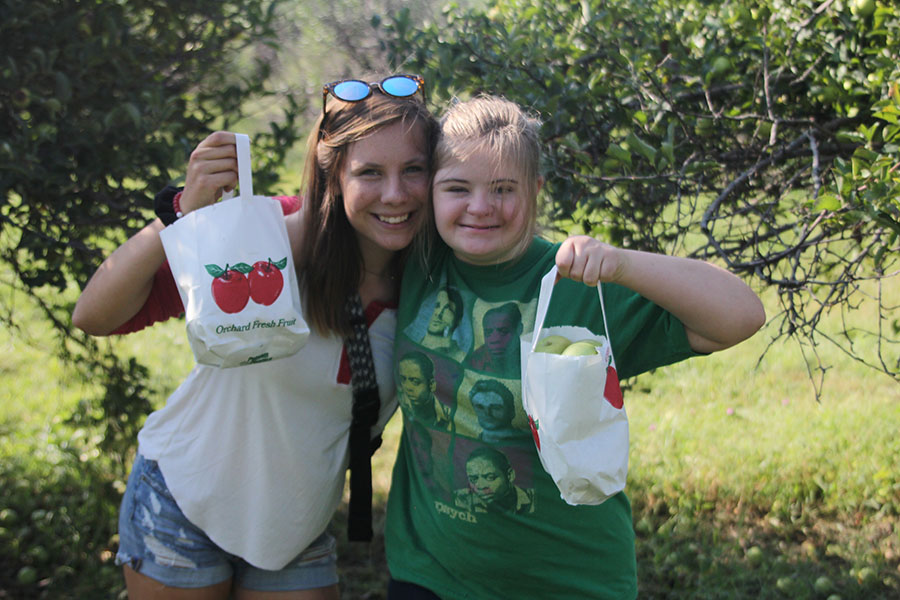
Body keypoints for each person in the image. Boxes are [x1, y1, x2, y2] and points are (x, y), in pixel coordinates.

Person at [384, 95, 766, 599]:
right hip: (428, 574)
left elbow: (741, 316)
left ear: (536, 190)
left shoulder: (575, 283)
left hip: (568, 581)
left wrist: (623, 263)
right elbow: (325, 218)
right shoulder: (415, 261)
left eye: (503, 189)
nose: (480, 206)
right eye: (458, 187)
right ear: (430, 192)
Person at [71, 74, 438, 599]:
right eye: (370, 173)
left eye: (414, 170)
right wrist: (183, 220)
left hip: (294, 528)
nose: (395, 194)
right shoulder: (270, 239)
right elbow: (95, 315)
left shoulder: (437, 278)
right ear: (334, 176)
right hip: (184, 503)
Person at [453, 447, 534, 514]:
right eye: (473, 479)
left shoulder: (533, 500)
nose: (480, 486)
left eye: (490, 477)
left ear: (510, 475)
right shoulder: (461, 499)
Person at [464, 302, 523, 375]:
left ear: (519, 329)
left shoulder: (530, 353)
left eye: (504, 331)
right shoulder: (476, 359)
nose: (495, 340)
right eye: (488, 333)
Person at [398, 350, 451, 429]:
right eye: (403, 379)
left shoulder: (449, 416)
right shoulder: (404, 403)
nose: (407, 387)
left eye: (415, 381)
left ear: (431, 384)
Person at [419, 288, 466, 361]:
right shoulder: (409, 346)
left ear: (459, 320)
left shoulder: (461, 358)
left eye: (448, 310)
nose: (438, 313)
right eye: (437, 306)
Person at [468, 379, 518, 443]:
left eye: (495, 408)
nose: (487, 413)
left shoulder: (525, 442)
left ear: (511, 412)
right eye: (480, 407)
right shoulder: (471, 443)